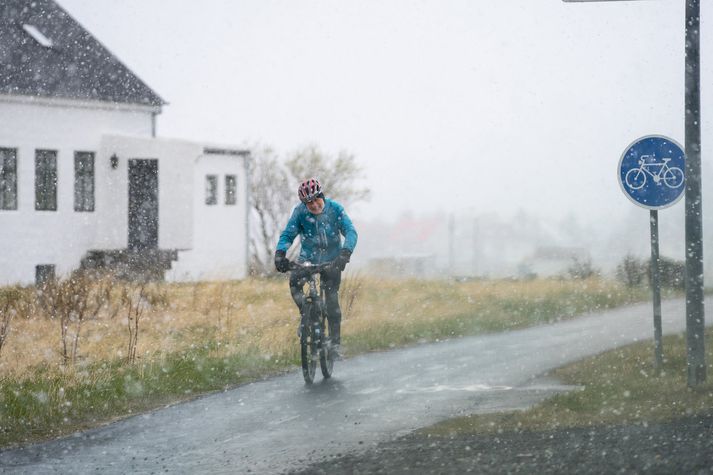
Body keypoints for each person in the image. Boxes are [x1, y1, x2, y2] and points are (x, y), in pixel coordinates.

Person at [274, 178, 358, 357]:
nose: (313, 205)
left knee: (332, 301)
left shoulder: (336, 210)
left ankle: (335, 344)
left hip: (333, 261)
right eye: (308, 202)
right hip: (308, 260)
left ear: (322, 196)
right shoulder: (300, 212)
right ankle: (307, 315)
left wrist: (345, 253)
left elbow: (350, 231)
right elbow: (288, 234)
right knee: (294, 282)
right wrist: (280, 253)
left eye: (315, 200)